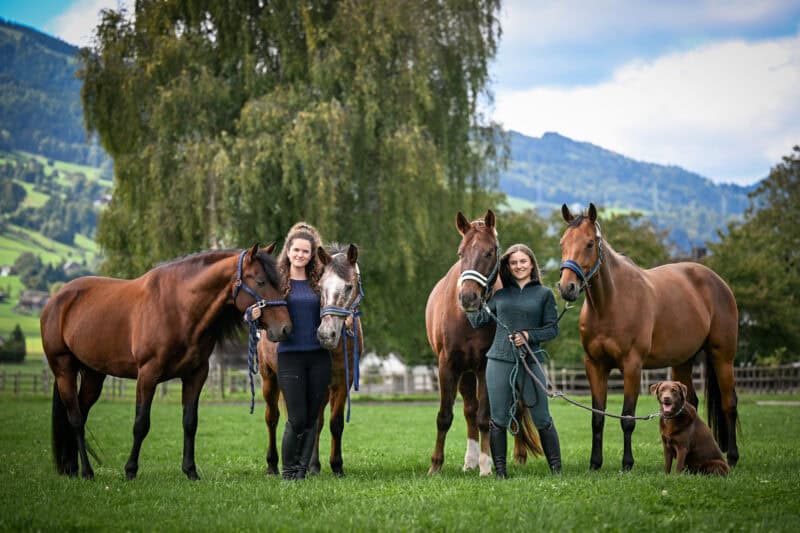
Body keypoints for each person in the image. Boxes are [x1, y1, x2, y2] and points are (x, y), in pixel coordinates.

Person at [466, 243, 562, 477]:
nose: (519, 266)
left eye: (523, 261)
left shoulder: (544, 295)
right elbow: (478, 321)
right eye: (514, 262)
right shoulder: (500, 295)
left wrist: (529, 335)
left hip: (531, 362)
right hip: (498, 361)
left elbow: (552, 329)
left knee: (543, 418)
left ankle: (556, 471)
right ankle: (501, 473)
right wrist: (470, 303)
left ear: (531, 264)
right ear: (508, 266)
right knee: (497, 420)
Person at [276, 222, 331, 480]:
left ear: (312, 255)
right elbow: (262, 311)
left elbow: (334, 306)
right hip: (290, 357)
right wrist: (251, 315)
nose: (300, 255)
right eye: (296, 250)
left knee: (312, 418)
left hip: (320, 356)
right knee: (296, 418)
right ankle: (287, 472)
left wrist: (349, 318)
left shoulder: (320, 282)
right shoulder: (276, 283)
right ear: (288, 251)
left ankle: (301, 472)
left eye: (305, 252)